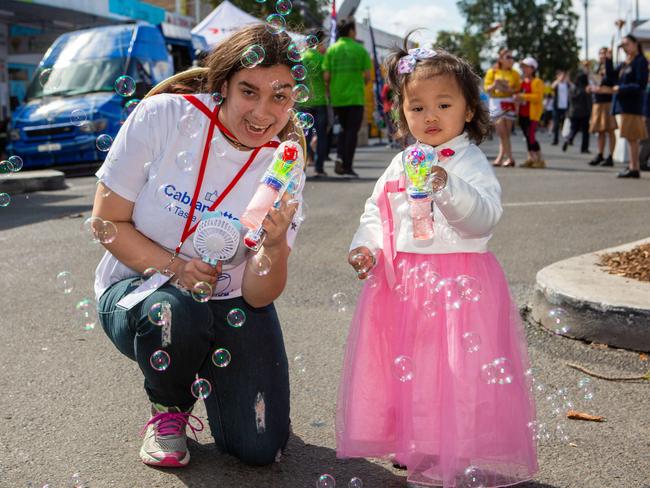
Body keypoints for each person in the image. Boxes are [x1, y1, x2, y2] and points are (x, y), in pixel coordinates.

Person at [91, 24, 305, 469]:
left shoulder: (284, 161)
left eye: (280, 97)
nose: (263, 113)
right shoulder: (165, 117)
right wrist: (177, 268)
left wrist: (276, 242)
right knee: (176, 309)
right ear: (223, 83)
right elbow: (106, 222)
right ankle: (168, 408)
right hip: (142, 294)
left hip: (230, 301)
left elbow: (258, 295)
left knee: (261, 448)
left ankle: (216, 373)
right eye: (249, 91)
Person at [337, 45, 538, 487]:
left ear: (469, 110)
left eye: (444, 105)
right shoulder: (400, 161)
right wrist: (366, 247)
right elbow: (377, 212)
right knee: (411, 369)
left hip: (458, 283)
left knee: (453, 373)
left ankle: (448, 453)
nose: (430, 116)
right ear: (402, 113)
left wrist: (446, 186)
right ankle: (416, 443)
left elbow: (484, 217)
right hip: (404, 283)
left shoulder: (469, 161)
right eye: (417, 106)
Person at [323, 17, 372, 178]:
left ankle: (340, 157)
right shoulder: (360, 50)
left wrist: (331, 92)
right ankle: (347, 166)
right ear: (351, 31)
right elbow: (367, 76)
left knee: (343, 129)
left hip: (337, 97)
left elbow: (327, 76)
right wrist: (358, 82)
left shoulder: (332, 50)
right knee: (352, 131)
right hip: (355, 97)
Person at [611, 34, 649, 178]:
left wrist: (621, 89)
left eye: (627, 44)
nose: (625, 48)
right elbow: (611, 76)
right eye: (623, 45)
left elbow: (640, 85)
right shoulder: (626, 62)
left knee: (633, 138)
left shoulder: (640, 61)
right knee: (629, 137)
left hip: (633, 105)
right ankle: (633, 166)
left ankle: (635, 168)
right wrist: (609, 58)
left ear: (635, 44)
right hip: (624, 105)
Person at [484, 48, 520, 167]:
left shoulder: (515, 73)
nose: (511, 60)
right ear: (501, 59)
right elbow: (487, 88)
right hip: (496, 102)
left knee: (506, 134)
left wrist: (507, 89)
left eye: (512, 57)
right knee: (501, 132)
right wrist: (496, 84)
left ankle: (503, 158)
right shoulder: (493, 71)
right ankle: (508, 157)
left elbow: (517, 90)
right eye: (508, 57)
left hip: (508, 101)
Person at [301, 28, 330, 178]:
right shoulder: (322, 58)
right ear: (319, 42)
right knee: (321, 136)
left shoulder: (301, 57)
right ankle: (319, 168)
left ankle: (302, 168)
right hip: (320, 101)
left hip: (303, 102)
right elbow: (327, 79)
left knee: (303, 136)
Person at [586, 47, 618, 166]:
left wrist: (606, 89)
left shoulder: (611, 68)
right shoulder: (596, 68)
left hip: (608, 102)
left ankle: (610, 156)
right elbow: (593, 82)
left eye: (604, 53)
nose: (602, 55)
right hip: (597, 102)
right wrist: (590, 88)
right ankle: (600, 154)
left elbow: (614, 83)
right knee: (600, 131)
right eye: (600, 53)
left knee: (610, 130)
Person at [514, 57, 545, 168]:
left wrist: (522, 96)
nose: (524, 69)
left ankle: (539, 160)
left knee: (530, 136)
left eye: (526, 67)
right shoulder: (522, 82)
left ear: (533, 68)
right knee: (527, 136)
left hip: (533, 115)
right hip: (522, 113)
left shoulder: (538, 82)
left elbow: (538, 97)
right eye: (523, 67)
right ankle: (531, 158)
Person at [562, 72, 592, 154]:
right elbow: (589, 102)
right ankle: (584, 148)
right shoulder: (586, 90)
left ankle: (569, 139)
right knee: (585, 132)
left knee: (573, 129)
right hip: (584, 113)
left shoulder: (572, 88)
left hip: (573, 112)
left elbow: (569, 101)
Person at [551, 70, 570, 145]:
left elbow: (573, 87)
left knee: (566, 124)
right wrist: (558, 80)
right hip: (557, 107)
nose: (562, 77)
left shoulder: (567, 84)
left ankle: (567, 139)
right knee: (556, 124)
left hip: (566, 107)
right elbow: (552, 87)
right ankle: (555, 140)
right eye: (561, 76)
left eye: (563, 76)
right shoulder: (557, 84)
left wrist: (568, 80)